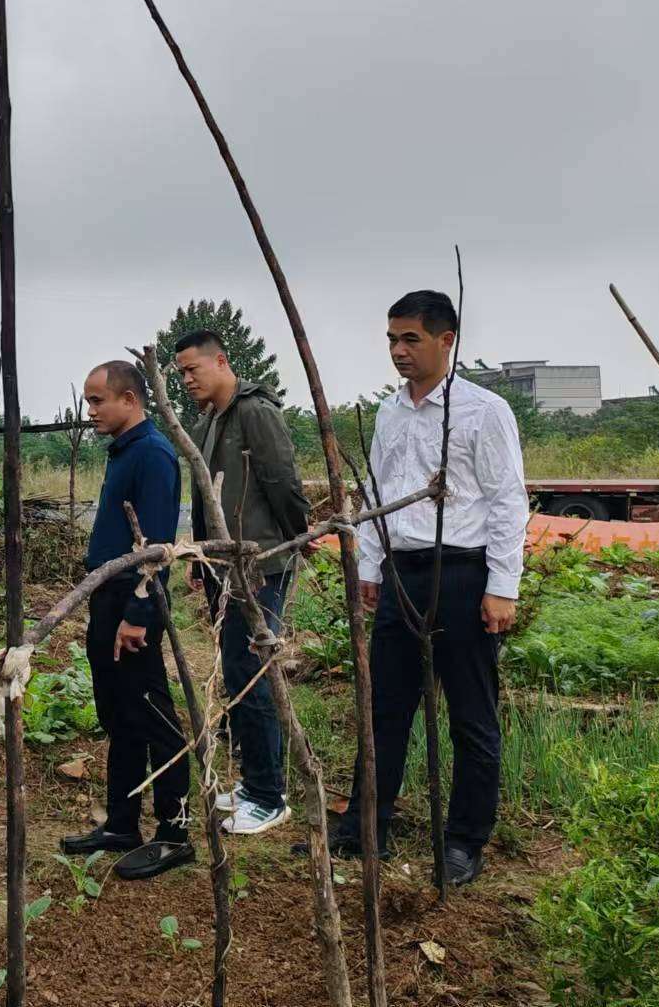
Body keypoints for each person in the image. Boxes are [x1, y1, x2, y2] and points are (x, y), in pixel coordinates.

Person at [329, 290, 526, 885]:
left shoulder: (482, 411)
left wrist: (502, 585)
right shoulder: (389, 413)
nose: (398, 350)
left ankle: (465, 839)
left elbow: (507, 500)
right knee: (384, 708)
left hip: (462, 573)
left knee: (470, 714)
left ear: (447, 340)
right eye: (392, 339)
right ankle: (369, 825)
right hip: (401, 574)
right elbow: (378, 498)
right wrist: (369, 568)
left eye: (411, 338)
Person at [58, 359, 195, 881]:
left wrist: (138, 613)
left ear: (130, 400)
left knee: (153, 715)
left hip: (133, 601)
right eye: (89, 400)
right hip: (108, 598)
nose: (89, 410)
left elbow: (156, 547)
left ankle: (174, 833)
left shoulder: (154, 456)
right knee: (118, 714)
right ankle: (121, 822)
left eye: (97, 400)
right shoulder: (124, 452)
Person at [174, 330, 311, 836]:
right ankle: (255, 784)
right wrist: (200, 553)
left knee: (252, 674)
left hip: (257, 565)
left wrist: (296, 537)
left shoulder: (255, 411)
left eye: (193, 370)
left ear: (221, 361)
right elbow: (207, 493)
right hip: (222, 565)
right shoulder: (210, 420)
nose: (186, 380)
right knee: (234, 671)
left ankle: (269, 795)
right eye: (181, 373)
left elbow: (281, 480)